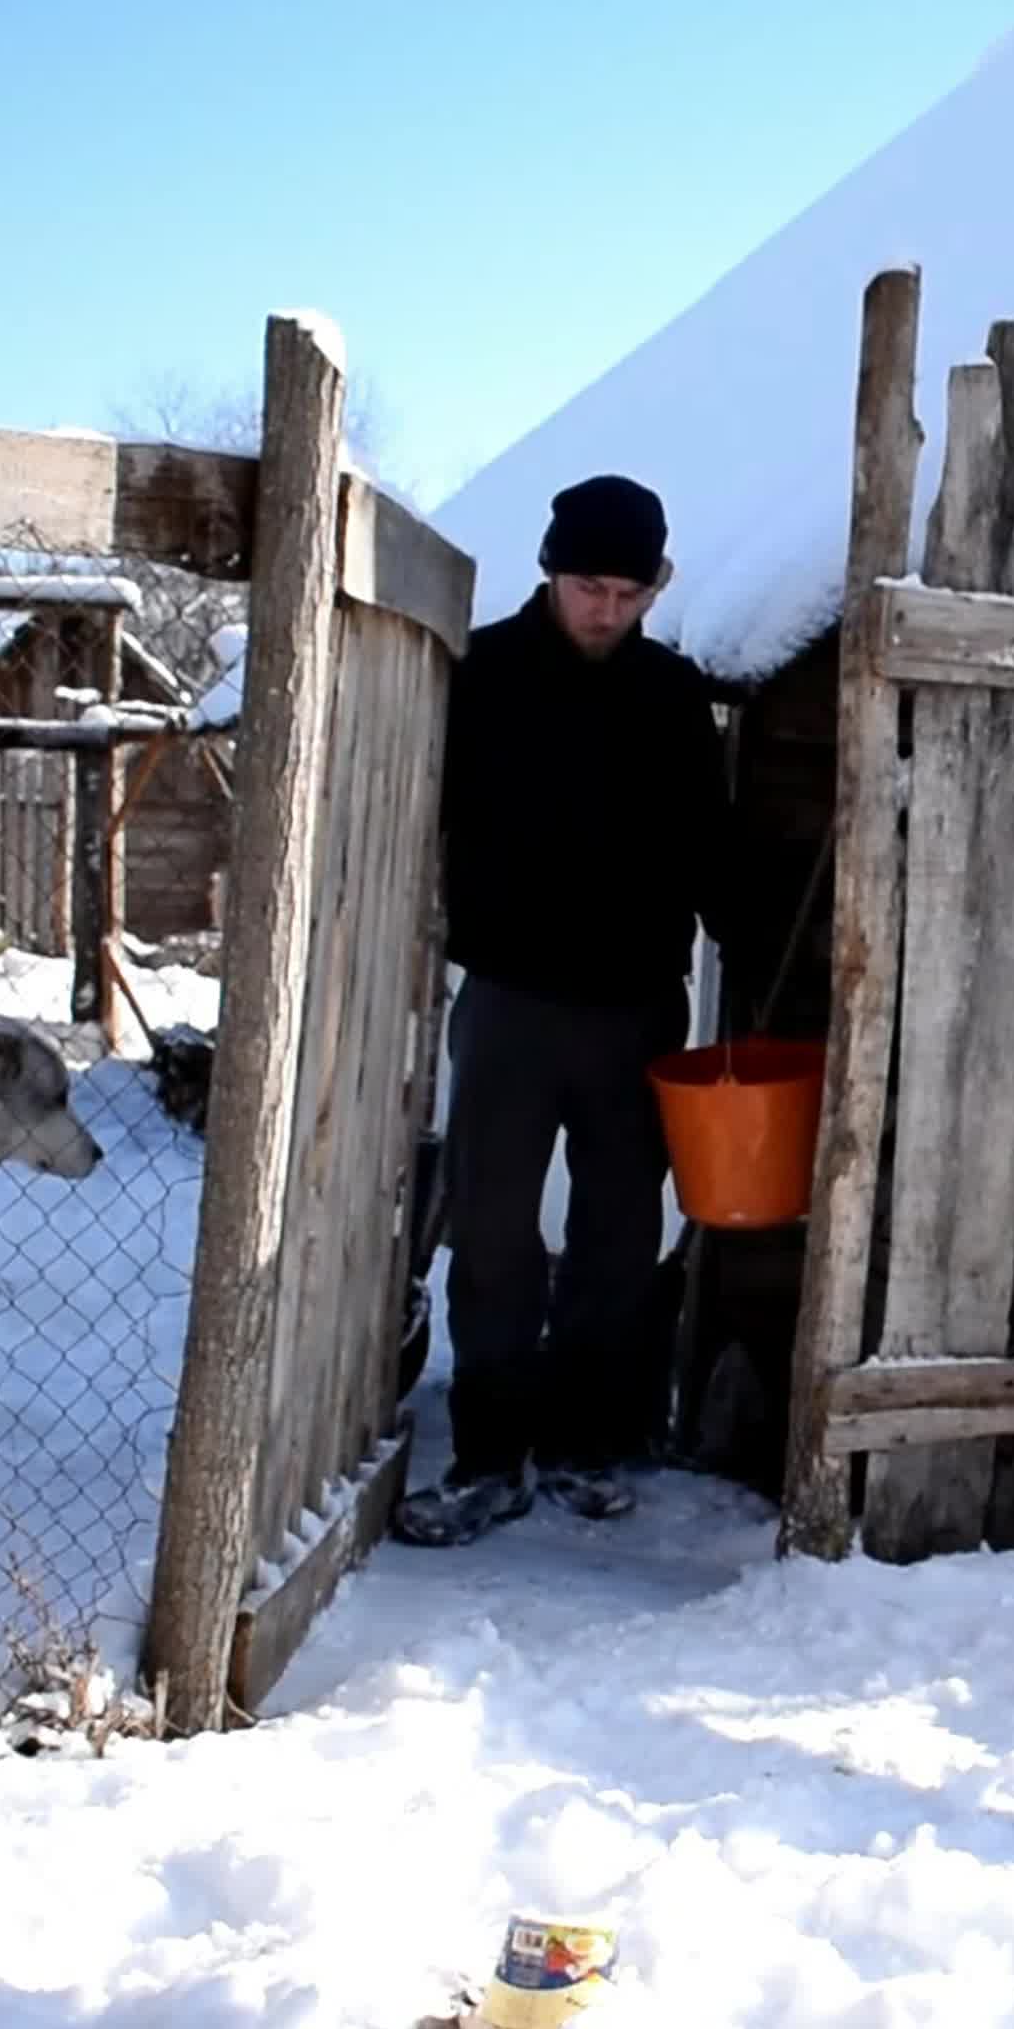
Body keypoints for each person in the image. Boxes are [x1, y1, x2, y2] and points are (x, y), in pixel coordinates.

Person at [393, 473, 746, 1547]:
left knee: (617, 1233)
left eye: (627, 593)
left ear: (657, 587)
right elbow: (427, 822)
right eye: (589, 586)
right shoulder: (482, 679)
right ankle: (489, 1455)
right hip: (505, 996)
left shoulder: (672, 699)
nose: (606, 610)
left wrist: (756, 938)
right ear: (550, 573)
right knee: (492, 1226)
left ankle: (590, 1443)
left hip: (636, 1005)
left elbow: (710, 847)